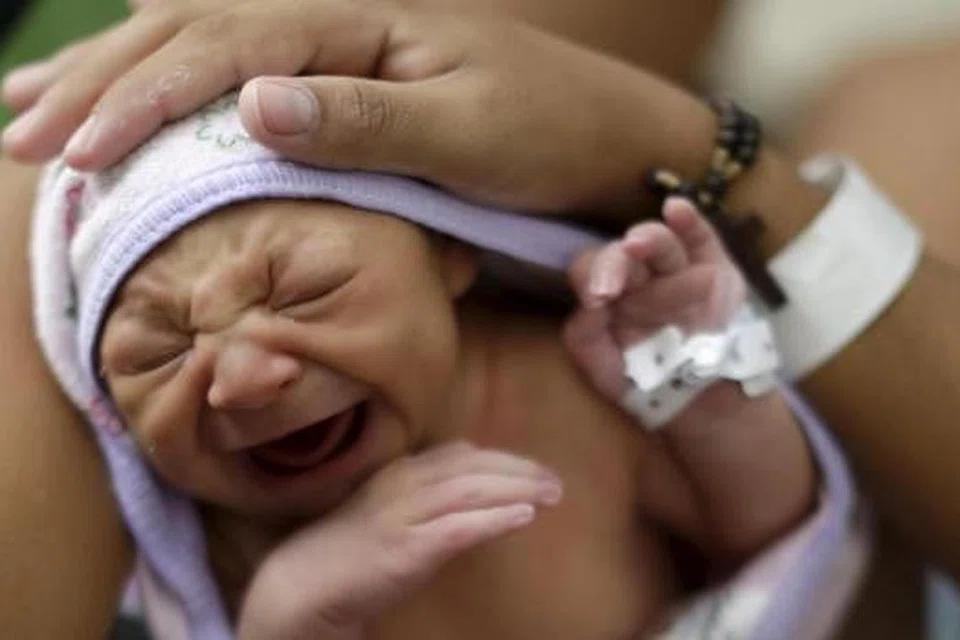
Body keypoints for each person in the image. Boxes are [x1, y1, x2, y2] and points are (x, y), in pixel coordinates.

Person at [0, 0, 942, 637]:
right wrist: (295, 613)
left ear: (454, 253)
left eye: (304, 293)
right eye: (156, 355)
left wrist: (705, 387)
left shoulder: (562, 387)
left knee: (913, 95)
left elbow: (769, 536)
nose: (243, 377)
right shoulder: (232, 541)